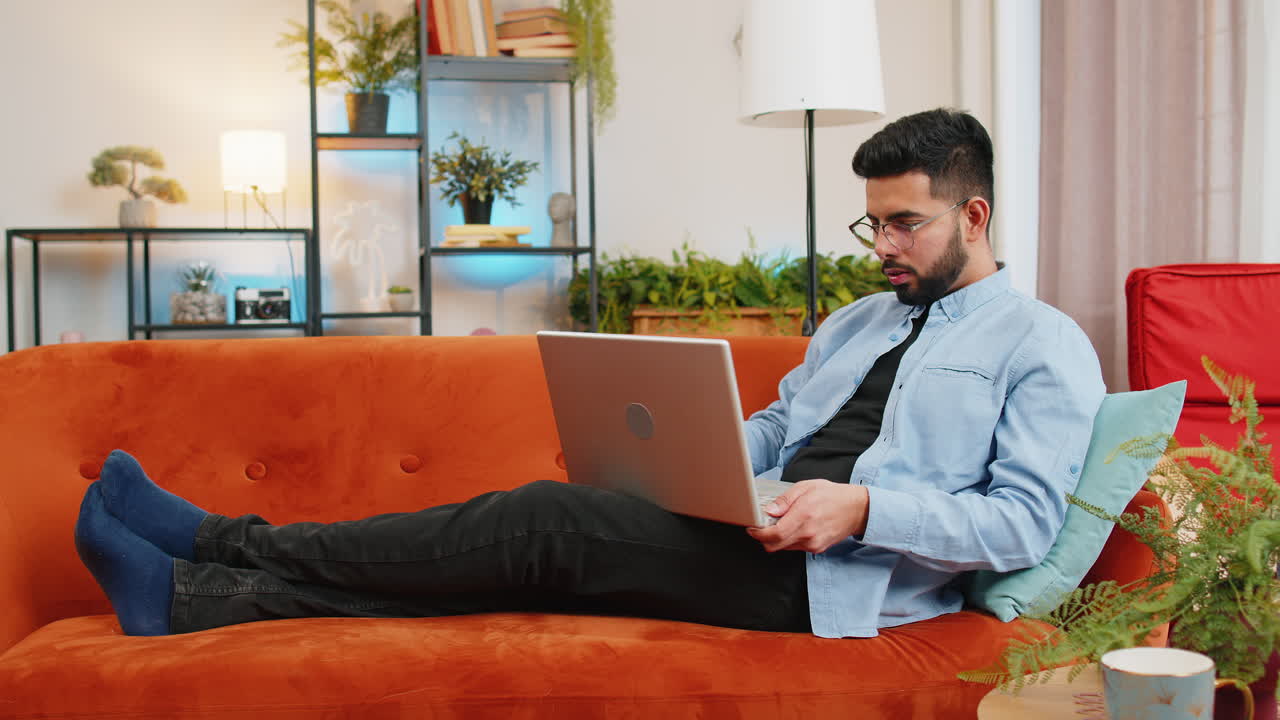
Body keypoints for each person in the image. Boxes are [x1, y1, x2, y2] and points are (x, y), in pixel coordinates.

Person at [74, 108, 1105, 639]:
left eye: (903, 223)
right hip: (750, 526)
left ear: (973, 215)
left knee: (541, 526)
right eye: (870, 222)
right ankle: (192, 597)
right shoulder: (855, 322)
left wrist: (861, 507)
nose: (880, 244)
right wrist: (686, 454)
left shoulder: (1044, 345)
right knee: (511, 562)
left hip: (830, 581)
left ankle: (222, 542)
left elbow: (1020, 524)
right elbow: (778, 426)